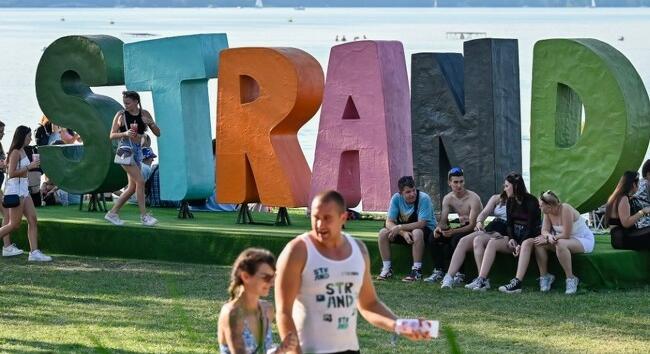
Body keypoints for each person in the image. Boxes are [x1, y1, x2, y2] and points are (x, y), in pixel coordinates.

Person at [275, 191, 430, 354]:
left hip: (349, 349)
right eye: (315, 217)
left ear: (343, 218)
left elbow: (369, 304)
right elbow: (284, 311)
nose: (320, 224)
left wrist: (401, 326)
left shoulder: (358, 250)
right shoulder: (297, 251)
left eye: (327, 218)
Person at [512, 190, 594, 295]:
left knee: (560, 244)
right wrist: (548, 236)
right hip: (562, 239)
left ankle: (571, 278)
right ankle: (545, 276)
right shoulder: (548, 212)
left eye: (541, 205)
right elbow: (544, 231)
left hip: (582, 239)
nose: (539, 208)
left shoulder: (565, 208)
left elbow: (566, 234)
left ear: (549, 205)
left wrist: (548, 239)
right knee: (538, 242)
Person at [218, 248, 298, 354]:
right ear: (245, 276)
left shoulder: (267, 310)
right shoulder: (232, 313)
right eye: (266, 277)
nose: (272, 283)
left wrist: (281, 349)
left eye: (273, 277)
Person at [472, 172, 541, 292]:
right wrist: (512, 239)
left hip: (530, 237)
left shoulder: (531, 201)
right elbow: (509, 224)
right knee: (493, 242)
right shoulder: (510, 201)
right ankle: (482, 279)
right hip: (515, 237)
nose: (504, 189)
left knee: (525, 244)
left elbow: (531, 227)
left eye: (507, 186)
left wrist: (519, 243)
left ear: (515, 186)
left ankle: (517, 283)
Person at [105, 90, 161, 227]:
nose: (126, 106)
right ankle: (144, 216)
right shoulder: (121, 115)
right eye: (124, 103)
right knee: (140, 181)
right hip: (125, 149)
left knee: (132, 188)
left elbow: (158, 133)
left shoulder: (144, 114)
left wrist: (151, 124)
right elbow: (111, 135)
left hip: (137, 152)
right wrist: (124, 132)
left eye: (128, 103)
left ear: (136, 102)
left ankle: (112, 213)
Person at [0, 125, 52, 261]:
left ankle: (34, 253)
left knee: (33, 220)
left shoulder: (22, 150)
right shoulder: (16, 151)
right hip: (15, 190)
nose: (30, 138)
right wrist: (30, 166)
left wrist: (30, 167)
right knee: (14, 224)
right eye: (28, 136)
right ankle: (30, 251)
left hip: (24, 189)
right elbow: (11, 174)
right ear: (22, 137)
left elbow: (14, 169)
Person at [424, 167, 482, 284]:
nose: (459, 185)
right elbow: (444, 222)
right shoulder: (448, 198)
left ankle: (460, 274)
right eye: (455, 182)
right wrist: (439, 228)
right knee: (433, 237)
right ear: (449, 183)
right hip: (460, 224)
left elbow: (472, 225)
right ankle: (439, 270)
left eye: (461, 181)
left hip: (475, 228)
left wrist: (453, 231)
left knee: (456, 239)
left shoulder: (473, 198)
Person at [441, 191, 508, 289]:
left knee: (475, 239)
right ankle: (449, 277)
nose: (505, 188)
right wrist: (479, 222)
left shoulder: (518, 200)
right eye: (505, 186)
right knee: (462, 241)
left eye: (507, 186)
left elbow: (471, 224)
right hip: (491, 226)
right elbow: (484, 213)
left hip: (503, 229)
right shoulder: (496, 198)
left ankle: (481, 279)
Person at [376, 176, 437, 282]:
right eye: (408, 192)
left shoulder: (424, 198)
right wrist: (403, 233)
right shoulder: (396, 198)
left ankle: (417, 270)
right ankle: (387, 269)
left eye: (413, 190)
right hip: (405, 232)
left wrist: (400, 227)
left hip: (426, 232)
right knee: (382, 233)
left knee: (417, 232)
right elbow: (388, 222)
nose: (412, 194)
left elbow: (421, 224)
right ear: (401, 193)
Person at [605, 171, 650, 250]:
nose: (639, 186)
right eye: (638, 184)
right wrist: (642, 212)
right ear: (633, 184)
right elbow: (626, 223)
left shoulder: (617, 197)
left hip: (618, 238)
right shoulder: (623, 198)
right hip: (622, 238)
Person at [634, 159, 650, 229]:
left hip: (637, 224)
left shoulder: (639, 183)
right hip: (646, 224)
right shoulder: (647, 184)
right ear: (648, 174)